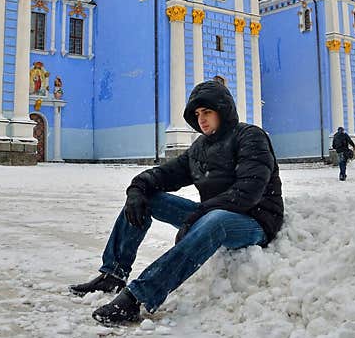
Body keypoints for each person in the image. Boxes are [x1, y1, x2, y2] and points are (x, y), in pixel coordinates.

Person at [70, 79, 284, 325]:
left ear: (222, 111)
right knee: (147, 200)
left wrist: (197, 216)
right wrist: (138, 188)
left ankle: (138, 298)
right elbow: (165, 174)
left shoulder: (250, 137)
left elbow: (248, 191)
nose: (201, 119)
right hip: (212, 215)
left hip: (254, 221)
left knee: (216, 220)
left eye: (207, 112)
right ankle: (113, 274)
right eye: (197, 114)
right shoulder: (199, 148)